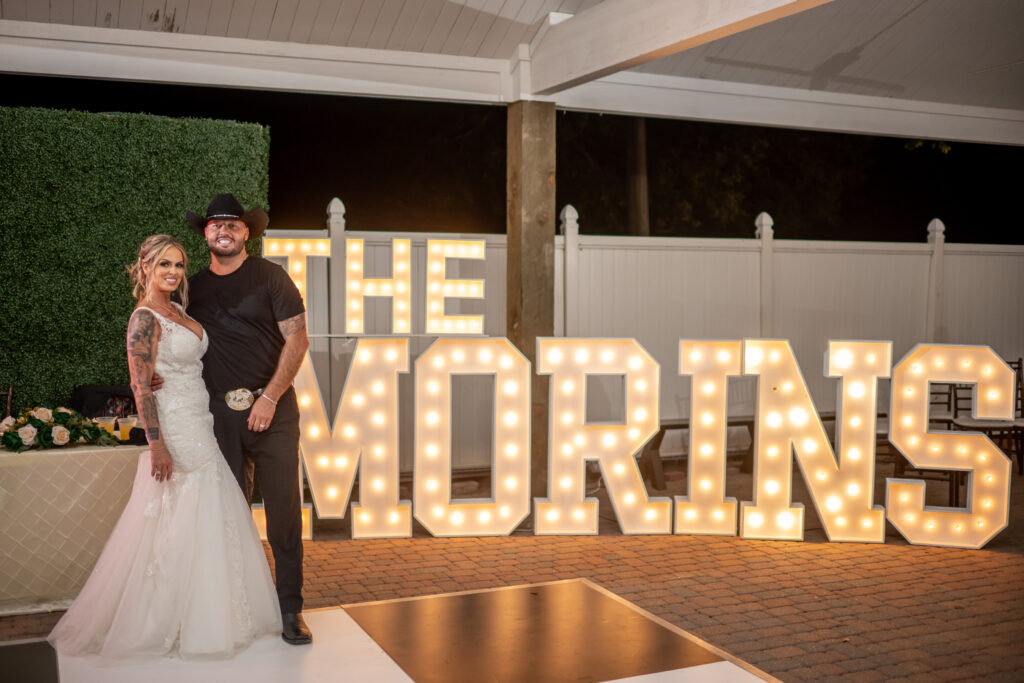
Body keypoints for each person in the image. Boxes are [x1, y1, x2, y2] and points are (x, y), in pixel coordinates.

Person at [48, 235, 281, 658]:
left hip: (200, 420)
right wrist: (157, 444)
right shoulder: (144, 318)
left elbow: (179, 367)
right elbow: (140, 386)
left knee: (208, 515)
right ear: (145, 270)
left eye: (177, 265)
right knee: (179, 517)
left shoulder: (177, 312)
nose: (173, 272)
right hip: (173, 427)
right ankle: (168, 621)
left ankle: (215, 612)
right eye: (163, 266)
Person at [184, 194, 312, 645]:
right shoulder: (191, 287)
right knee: (228, 516)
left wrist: (270, 398)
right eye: (216, 224)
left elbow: (297, 340)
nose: (224, 230)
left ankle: (290, 610)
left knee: (283, 517)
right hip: (219, 414)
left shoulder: (271, 277)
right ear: (205, 233)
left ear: (246, 233)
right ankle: (238, 606)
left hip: (272, 411)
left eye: (233, 225)